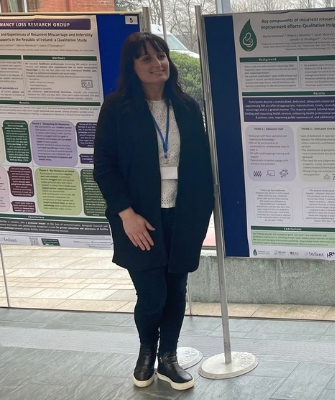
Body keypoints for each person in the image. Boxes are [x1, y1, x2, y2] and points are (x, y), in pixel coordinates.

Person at [93, 32, 214, 391]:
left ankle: (168, 359)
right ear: (132, 67)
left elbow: (201, 163)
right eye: (145, 58)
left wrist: (201, 211)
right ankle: (147, 352)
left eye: (160, 55)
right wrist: (125, 214)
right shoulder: (117, 107)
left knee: (177, 289)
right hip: (139, 217)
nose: (156, 63)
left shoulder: (187, 106)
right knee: (152, 295)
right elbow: (104, 165)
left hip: (183, 213)